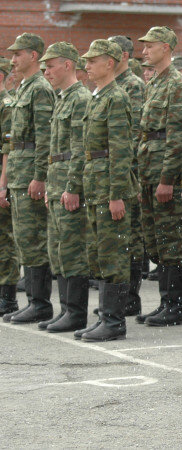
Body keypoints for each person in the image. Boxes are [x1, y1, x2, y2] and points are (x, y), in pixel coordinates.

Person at [76, 39, 138, 342]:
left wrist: (116, 194)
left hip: (109, 188)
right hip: (95, 184)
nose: (87, 65)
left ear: (110, 63)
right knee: (99, 252)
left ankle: (114, 321)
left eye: (93, 60)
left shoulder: (116, 98)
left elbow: (120, 150)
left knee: (112, 253)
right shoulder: (96, 96)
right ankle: (104, 316)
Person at [136, 26, 182, 327]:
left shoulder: (176, 85)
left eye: (150, 46)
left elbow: (177, 138)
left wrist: (168, 179)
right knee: (156, 239)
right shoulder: (155, 83)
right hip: (148, 171)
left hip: (163, 174)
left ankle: (176, 305)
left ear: (167, 48)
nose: (144, 51)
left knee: (171, 238)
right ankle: (165, 301)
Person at [38, 42, 92, 333]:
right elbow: (55, 150)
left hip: (69, 184)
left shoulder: (80, 98)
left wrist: (72, 187)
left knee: (72, 249)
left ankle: (76, 312)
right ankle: (65, 310)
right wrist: (50, 184)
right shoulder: (63, 98)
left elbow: (79, 148)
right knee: (58, 248)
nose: (46, 71)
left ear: (68, 65)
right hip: (57, 182)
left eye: (51, 65)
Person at [4, 33, 55, 324]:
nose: (12, 60)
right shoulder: (24, 87)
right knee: (23, 238)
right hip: (19, 172)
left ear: (33, 56)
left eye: (18, 54)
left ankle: (40, 304)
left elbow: (44, 136)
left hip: (30, 175)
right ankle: (34, 301)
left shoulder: (39, 88)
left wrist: (40, 176)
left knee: (34, 238)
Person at [109, 35, 146, 317]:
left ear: (122, 55)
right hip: (118, 168)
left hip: (130, 168)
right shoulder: (110, 87)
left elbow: (130, 134)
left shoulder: (133, 85)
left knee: (131, 235)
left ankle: (130, 297)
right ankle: (123, 297)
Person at [0, 57, 20, 315]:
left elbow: (7, 148)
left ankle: (8, 297)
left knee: (4, 237)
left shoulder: (6, 106)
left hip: (1, 175)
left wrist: (3, 184)